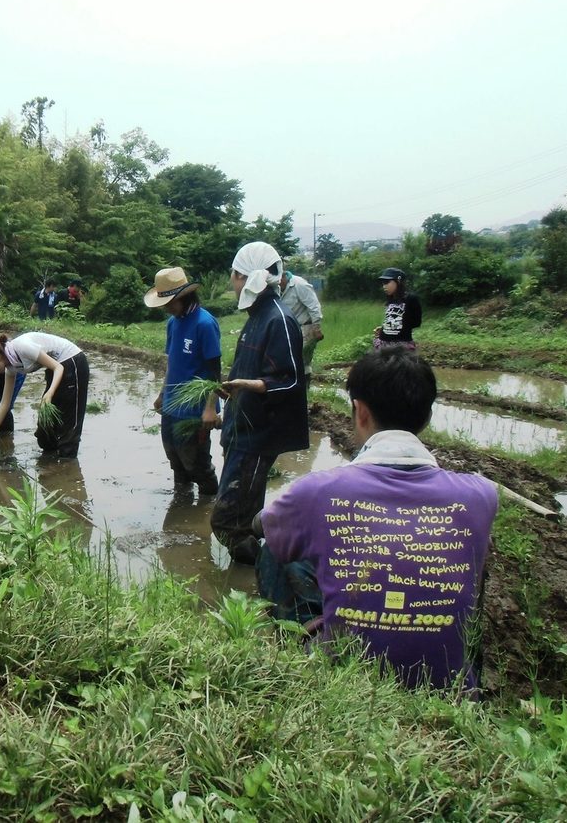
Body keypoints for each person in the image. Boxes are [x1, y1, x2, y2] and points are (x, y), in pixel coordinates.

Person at [256, 348, 497, 692]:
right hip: (447, 687)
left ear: (360, 412)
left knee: (274, 550)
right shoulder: (481, 495)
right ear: (427, 417)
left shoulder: (318, 490)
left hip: (348, 678)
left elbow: (264, 526)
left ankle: (301, 647)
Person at [211, 241, 309, 565]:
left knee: (228, 521)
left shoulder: (279, 319)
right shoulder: (257, 315)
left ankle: (270, 570)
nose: (231, 282)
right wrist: (229, 390)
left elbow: (291, 380)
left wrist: (251, 386)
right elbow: (246, 369)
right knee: (243, 514)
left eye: (234, 276)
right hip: (241, 427)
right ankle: (256, 569)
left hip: (258, 435)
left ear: (244, 277)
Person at [143, 266, 221, 497]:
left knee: (197, 464)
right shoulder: (173, 323)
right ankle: (182, 507)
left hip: (195, 411)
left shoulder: (205, 324)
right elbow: (173, 363)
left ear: (184, 297)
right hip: (171, 405)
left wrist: (210, 408)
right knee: (175, 458)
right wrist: (161, 394)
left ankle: (208, 510)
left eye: (169, 303)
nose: (166, 308)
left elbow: (215, 373)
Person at [0, 332, 89, 457]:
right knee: (45, 433)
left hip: (72, 362)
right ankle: (51, 465)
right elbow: (4, 403)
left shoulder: (22, 347)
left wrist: (50, 392)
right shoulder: (10, 367)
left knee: (69, 424)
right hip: (54, 369)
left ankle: (67, 467)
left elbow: (58, 367)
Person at [279, 269, 324, 377]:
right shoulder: (277, 288)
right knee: (290, 360)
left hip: (305, 327)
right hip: (289, 328)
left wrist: (316, 327)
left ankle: (304, 387)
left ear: (283, 276)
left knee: (302, 361)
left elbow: (313, 305)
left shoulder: (299, 284)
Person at [373, 267, 422, 350]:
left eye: (387, 282)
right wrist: (385, 328)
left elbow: (416, 322)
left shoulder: (411, 299)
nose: (384, 286)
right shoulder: (390, 300)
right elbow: (390, 319)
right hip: (383, 344)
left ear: (398, 281)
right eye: (383, 283)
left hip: (401, 345)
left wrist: (399, 326)